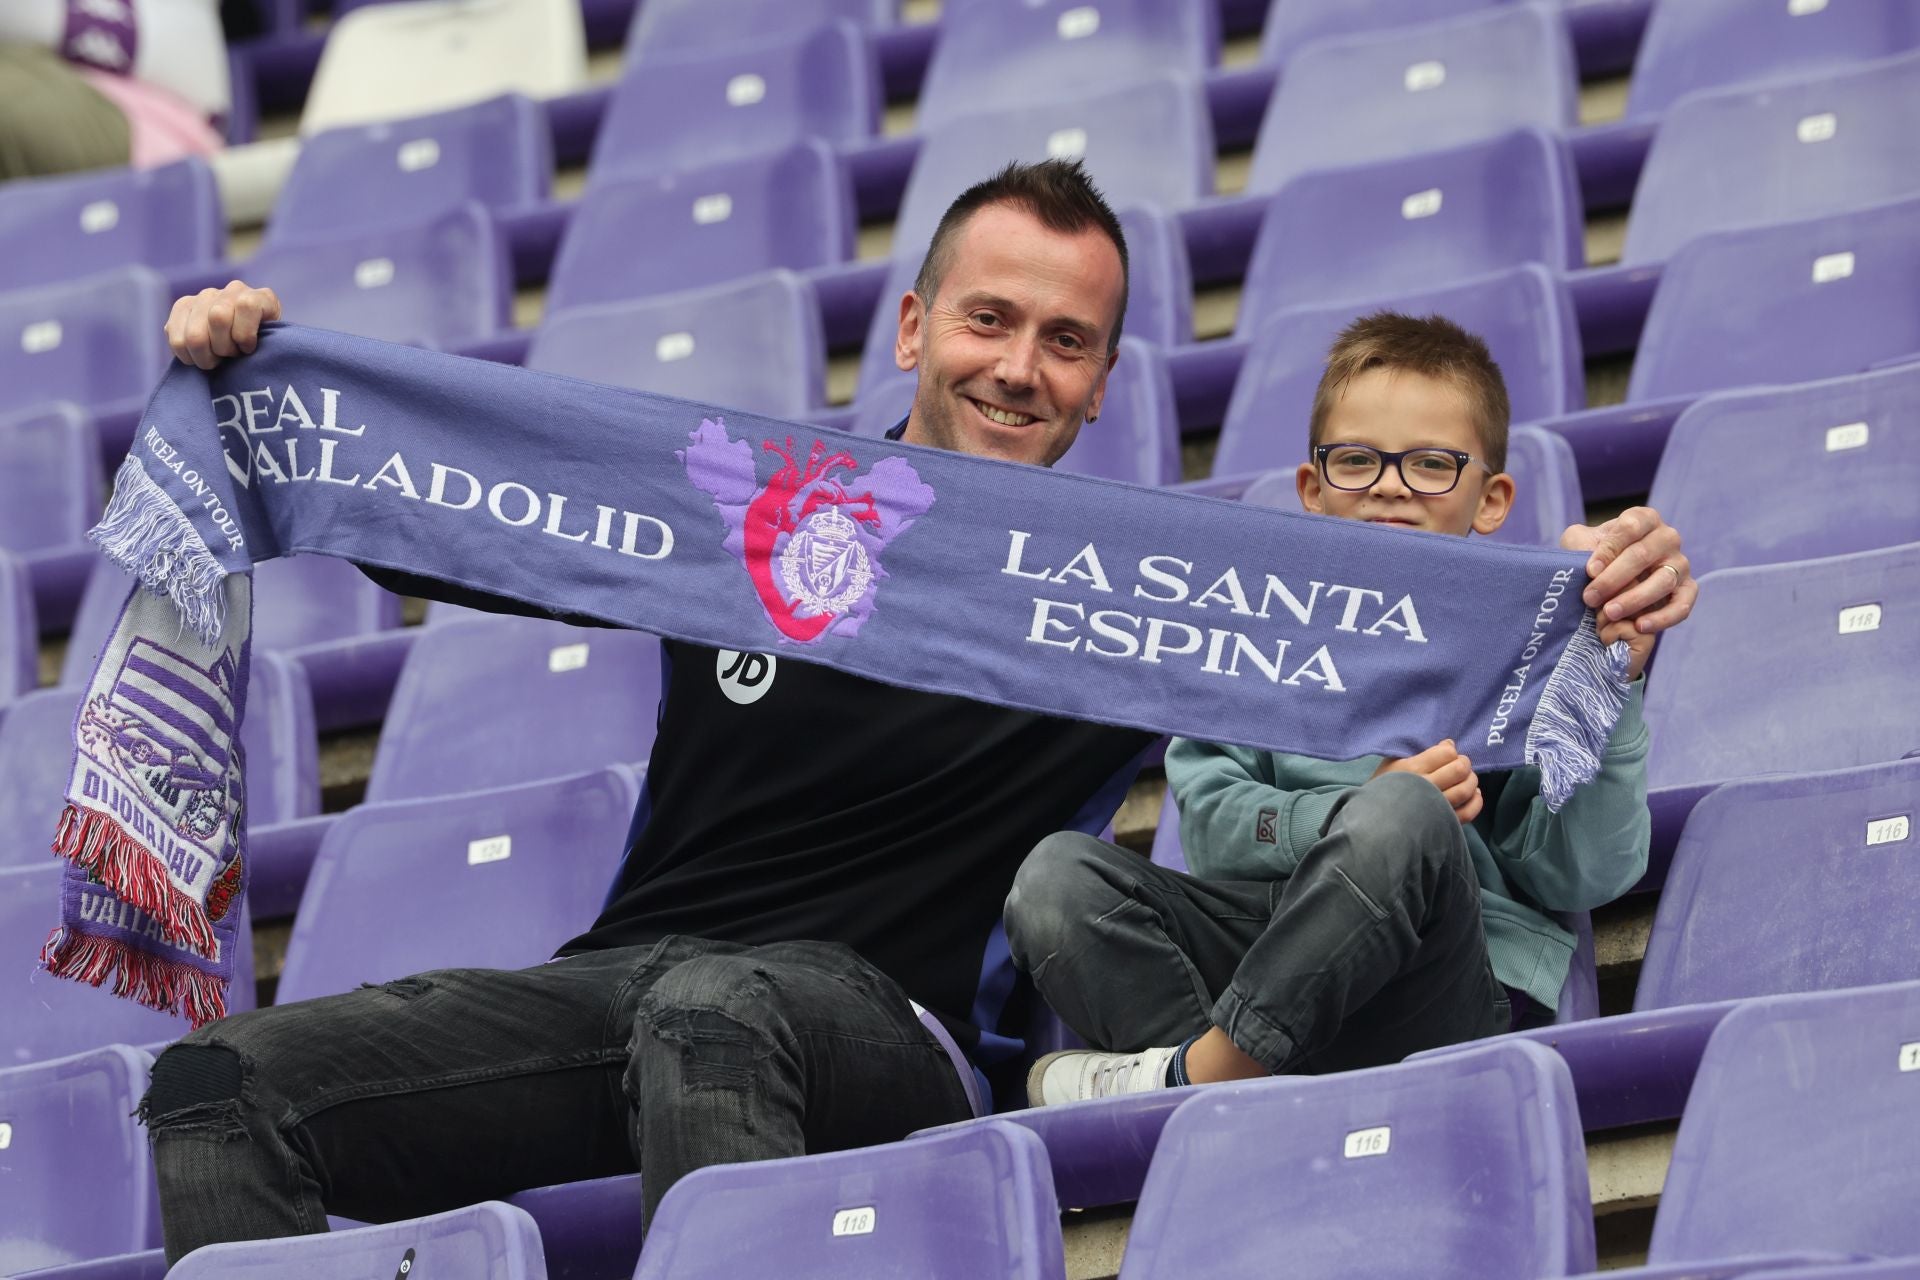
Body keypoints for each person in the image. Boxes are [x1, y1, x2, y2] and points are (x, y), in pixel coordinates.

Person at [140, 159, 1156, 1263]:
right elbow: (452, 511)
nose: (1019, 367)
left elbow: (1296, 712)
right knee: (219, 1082)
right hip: (626, 992)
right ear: (914, 328)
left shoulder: (1131, 610)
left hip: (895, 1032)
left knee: (711, 1008)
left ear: (1102, 380)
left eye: (1066, 340)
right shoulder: (750, 515)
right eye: (989, 319)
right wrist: (263, 380)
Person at [1010, 311, 1698, 1104]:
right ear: (1313, 489)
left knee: (1406, 812)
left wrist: (1608, 674)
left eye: (1432, 463)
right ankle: (1232, 1086)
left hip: (1436, 980)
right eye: (1357, 460)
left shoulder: (1529, 640)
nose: (1390, 485)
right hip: (1266, 950)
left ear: (1492, 499)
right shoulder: (1256, 628)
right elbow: (1213, 833)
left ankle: (1199, 1083)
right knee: (1053, 878)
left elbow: (1585, 872)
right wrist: (1346, 810)